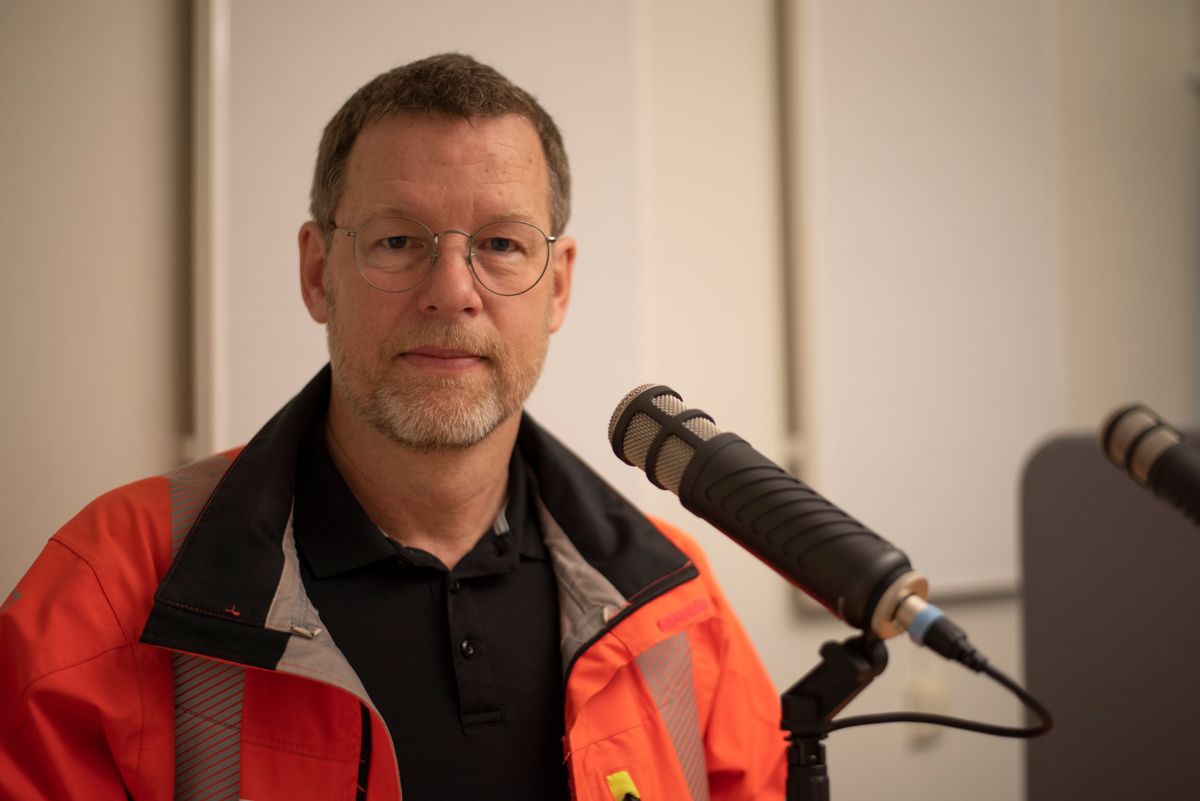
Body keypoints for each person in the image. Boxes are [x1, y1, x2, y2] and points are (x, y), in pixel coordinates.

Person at [0, 53, 786, 800]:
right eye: (399, 241)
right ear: (317, 273)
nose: (451, 291)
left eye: (503, 244)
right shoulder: (108, 585)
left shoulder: (674, 604)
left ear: (558, 287)